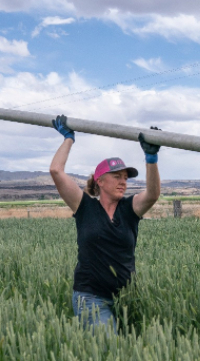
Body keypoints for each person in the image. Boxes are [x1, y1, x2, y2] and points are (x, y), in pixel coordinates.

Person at [49, 115, 161, 333]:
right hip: (91, 297)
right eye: (117, 176)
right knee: (108, 353)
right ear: (100, 181)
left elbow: (153, 194)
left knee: (133, 354)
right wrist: (68, 138)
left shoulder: (130, 209)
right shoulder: (84, 207)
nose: (123, 182)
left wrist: (151, 158)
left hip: (128, 297)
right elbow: (56, 171)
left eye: (126, 178)